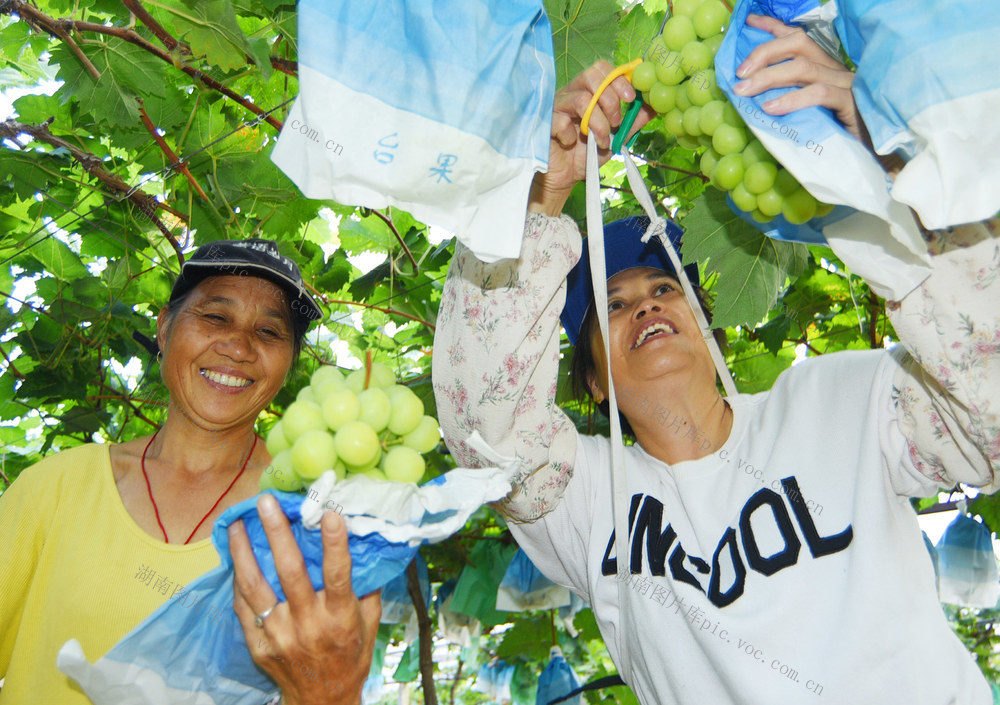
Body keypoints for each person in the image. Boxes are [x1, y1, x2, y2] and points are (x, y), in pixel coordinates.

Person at [433, 14, 1000, 705]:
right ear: (593, 380)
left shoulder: (841, 398)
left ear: (708, 330)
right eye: (613, 306)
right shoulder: (585, 499)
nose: (645, 306)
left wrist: (880, 147)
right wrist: (541, 195)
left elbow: (988, 403)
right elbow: (482, 421)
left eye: (664, 287)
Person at [0, 239, 381, 705]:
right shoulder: (54, 488)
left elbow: (329, 688)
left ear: (289, 364)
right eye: (216, 317)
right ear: (164, 329)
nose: (239, 346)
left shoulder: (314, 520)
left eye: (268, 333)